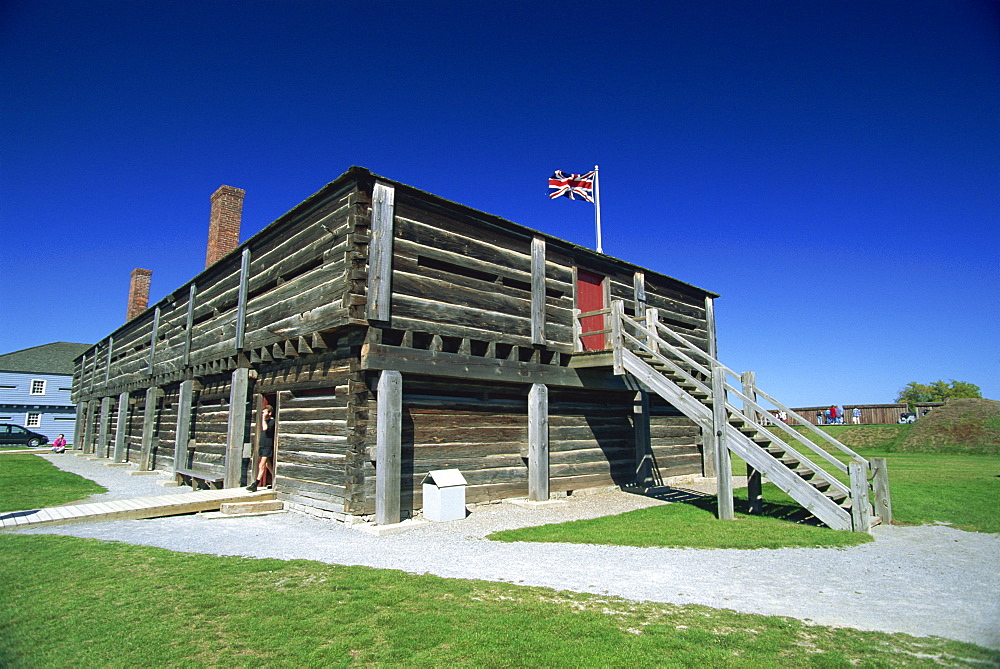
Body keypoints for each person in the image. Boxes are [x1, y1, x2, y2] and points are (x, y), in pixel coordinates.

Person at [247, 406, 275, 492]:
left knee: (261, 465)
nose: (263, 414)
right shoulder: (266, 421)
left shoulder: (272, 421)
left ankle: (256, 484)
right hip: (262, 445)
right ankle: (275, 480)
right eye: (262, 413)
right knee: (267, 465)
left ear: (269, 413)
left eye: (264, 412)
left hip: (267, 446)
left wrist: (263, 418)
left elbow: (265, 428)